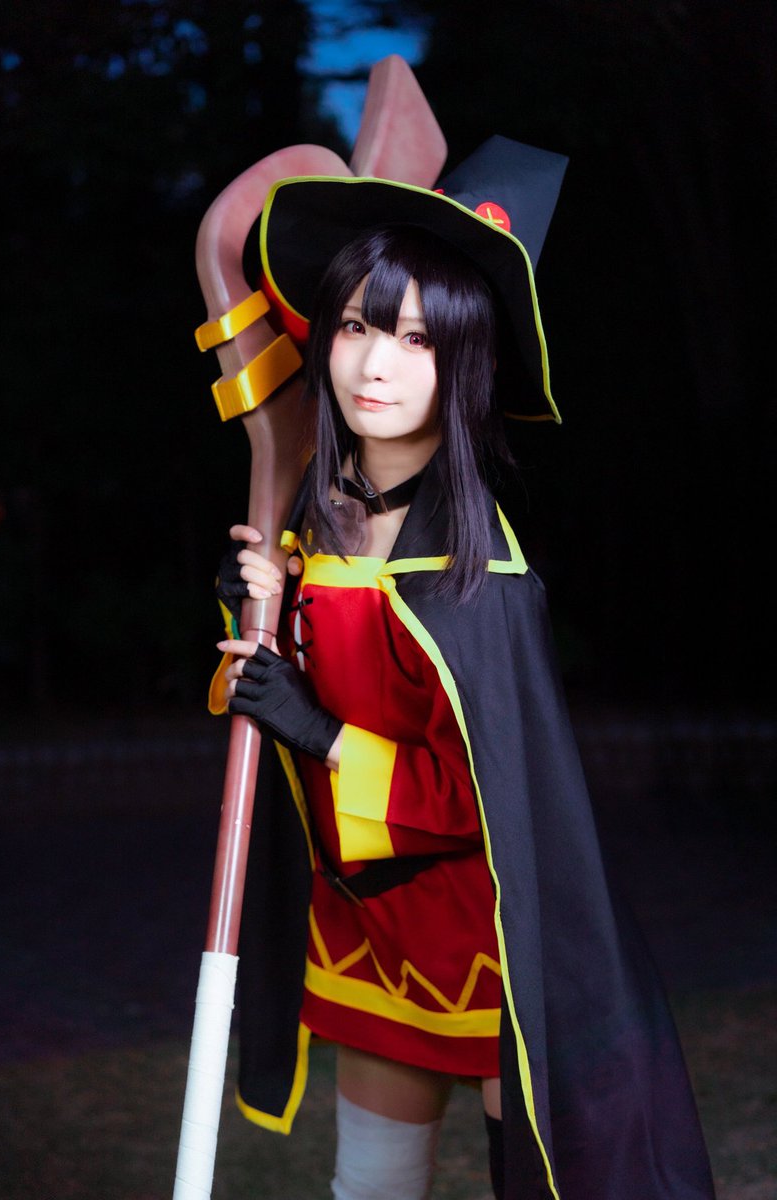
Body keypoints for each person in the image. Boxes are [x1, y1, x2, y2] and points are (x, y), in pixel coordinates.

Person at [208, 142, 715, 1200]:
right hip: (371, 929)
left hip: (493, 935)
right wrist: (256, 614)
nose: (373, 368)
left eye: (417, 339)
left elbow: (481, 794)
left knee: (535, 1175)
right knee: (371, 1184)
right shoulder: (312, 540)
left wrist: (317, 731)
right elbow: (273, 696)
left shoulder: (485, 582)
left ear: (466, 365)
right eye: (357, 326)